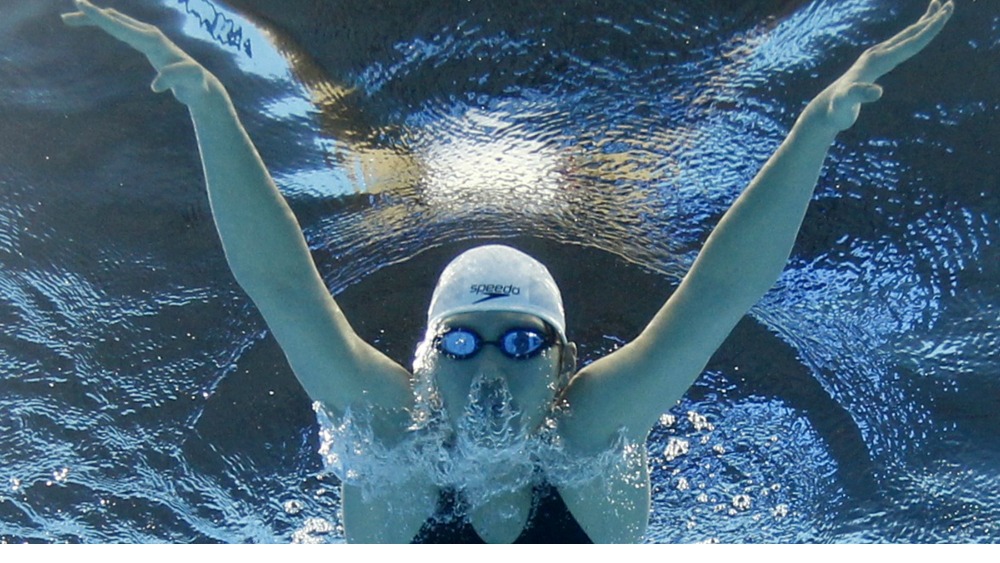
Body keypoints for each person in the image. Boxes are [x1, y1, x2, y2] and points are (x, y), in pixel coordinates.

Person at [62, 0, 954, 543]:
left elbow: (721, 290)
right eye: (463, 340)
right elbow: (284, 289)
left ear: (565, 359)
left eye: (521, 339)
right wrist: (211, 104)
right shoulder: (387, 437)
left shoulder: (594, 429)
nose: (491, 362)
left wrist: (814, 128)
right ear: (424, 357)